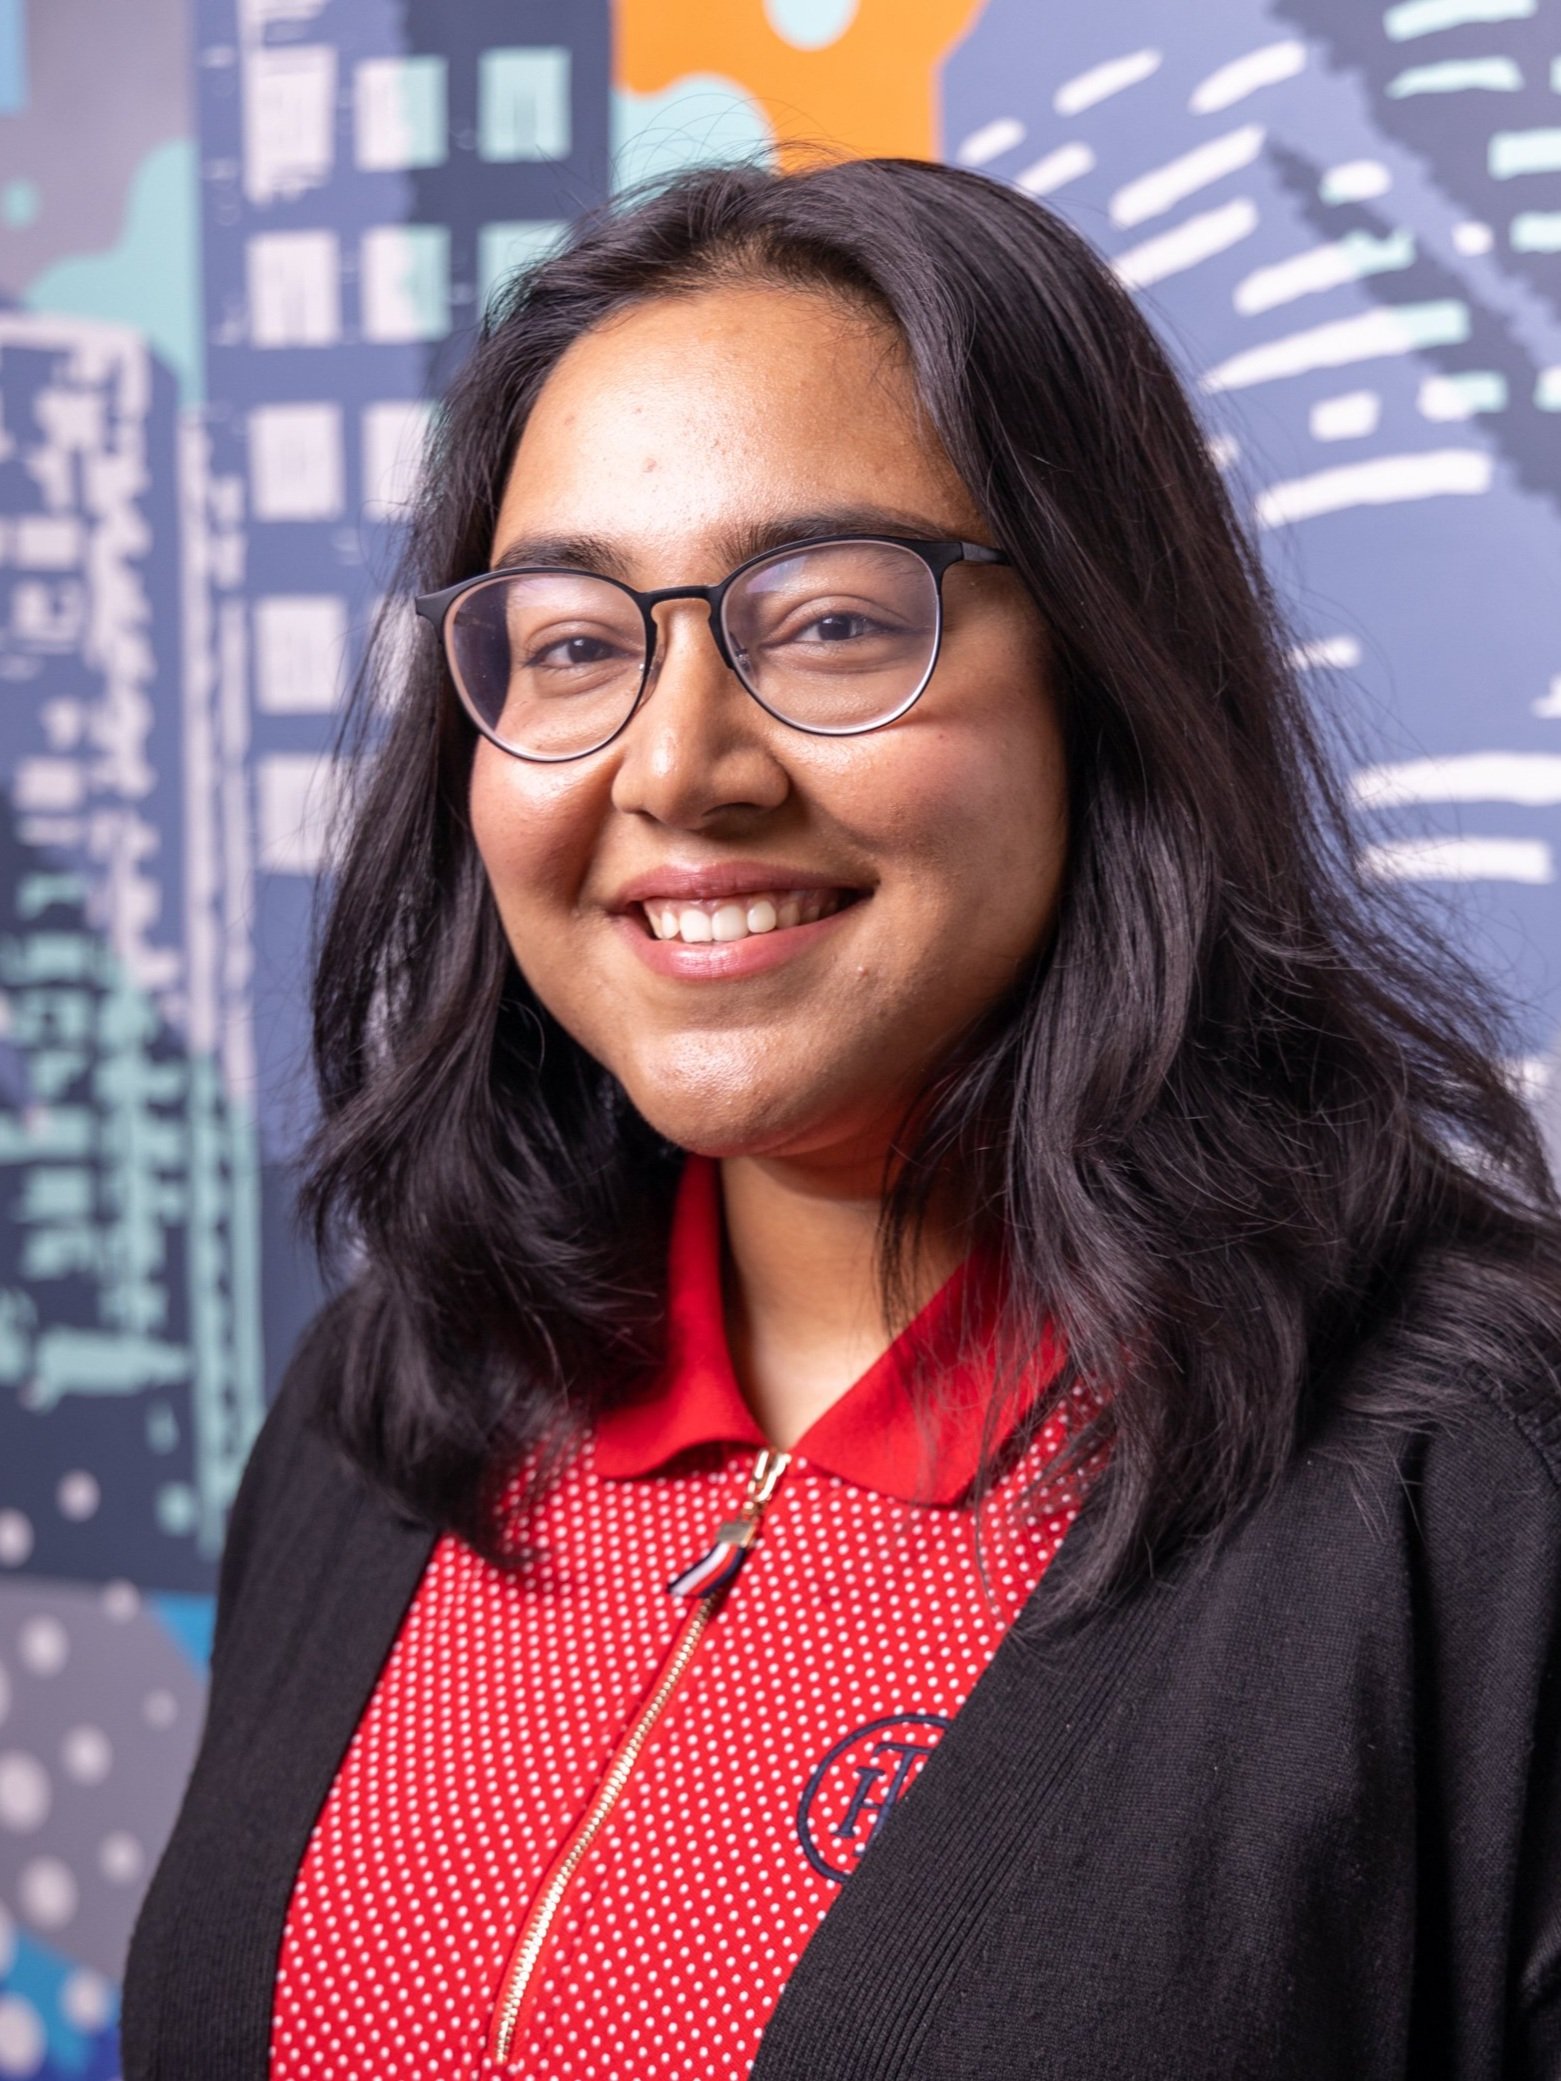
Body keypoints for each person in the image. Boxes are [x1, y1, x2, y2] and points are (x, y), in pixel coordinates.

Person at [122, 156, 1561, 2079]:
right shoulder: (396, 1403)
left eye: (825, 624)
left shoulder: (1481, 1498)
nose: (677, 766)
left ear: (1104, 672)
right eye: (566, 640)